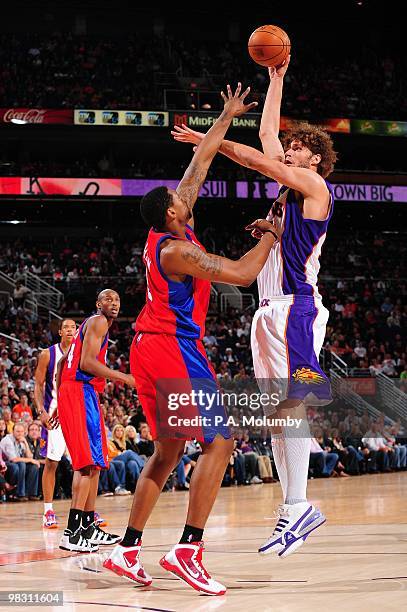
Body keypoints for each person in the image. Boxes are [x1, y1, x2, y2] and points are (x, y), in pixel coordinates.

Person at [104, 84, 280, 596]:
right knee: (221, 440)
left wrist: (224, 117)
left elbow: (198, 165)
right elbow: (243, 275)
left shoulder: (167, 229)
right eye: (182, 201)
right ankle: (188, 547)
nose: (188, 196)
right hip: (171, 348)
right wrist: (271, 231)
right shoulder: (178, 252)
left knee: (167, 451)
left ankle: (127, 548)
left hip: (150, 346)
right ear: (172, 216)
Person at [172, 58, 337, 558]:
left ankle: (297, 505)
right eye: (291, 146)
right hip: (269, 312)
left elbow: (257, 157)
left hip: (295, 308)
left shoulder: (314, 187)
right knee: (278, 414)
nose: (289, 149)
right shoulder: (289, 190)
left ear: (315, 159)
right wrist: (277, 79)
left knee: (292, 404)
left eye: (298, 147)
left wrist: (211, 140)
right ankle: (292, 507)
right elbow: (267, 131)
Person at [57, 290, 135, 552]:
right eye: (108, 299)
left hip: (80, 392)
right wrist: (124, 377)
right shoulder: (98, 321)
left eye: (117, 300)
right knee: (85, 464)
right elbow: (88, 363)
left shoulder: (95, 326)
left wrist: (59, 398)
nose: (114, 303)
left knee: (96, 463)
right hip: (78, 390)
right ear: (98, 303)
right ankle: (72, 531)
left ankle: (88, 526)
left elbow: (63, 366)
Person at [34, 319, 77, 529]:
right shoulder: (48, 354)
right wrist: (41, 411)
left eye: (74, 327)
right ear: (60, 332)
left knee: (83, 464)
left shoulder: (82, 352)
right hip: (53, 414)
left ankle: (84, 512)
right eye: (67, 327)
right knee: (52, 463)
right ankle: (48, 511)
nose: (70, 330)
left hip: (76, 413)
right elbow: (37, 385)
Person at [0, 422, 40, 500]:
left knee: (34, 467)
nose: (20, 433)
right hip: (5, 464)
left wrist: (25, 443)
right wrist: (31, 460)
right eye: (17, 431)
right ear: (13, 431)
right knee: (21, 464)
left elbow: (30, 456)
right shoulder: (8, 440)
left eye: (21, 431)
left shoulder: (22, 440)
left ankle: (31, 494)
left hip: (17, 464)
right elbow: (13, 459)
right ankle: (20, 494)